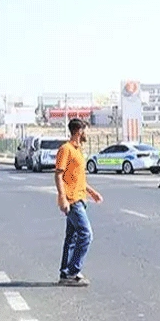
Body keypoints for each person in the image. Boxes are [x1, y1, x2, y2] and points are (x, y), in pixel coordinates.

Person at [54, 118, 103, 287]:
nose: (86, 134)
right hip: (72, 200)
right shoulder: (65, 149)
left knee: (72, 238)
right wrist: (62, 197)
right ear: (79, 131)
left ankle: (65, 273)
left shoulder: (78, 150)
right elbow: (59, 175)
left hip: (80, 198)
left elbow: (77, 178)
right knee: (86, 234)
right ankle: (73, 271)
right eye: (85, 130)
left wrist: (92, 192)